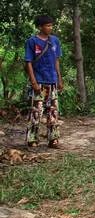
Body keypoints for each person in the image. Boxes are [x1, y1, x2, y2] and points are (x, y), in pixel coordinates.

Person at [24, 15, 63, 148]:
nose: (50, 28)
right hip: (39, 81)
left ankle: (53, 139)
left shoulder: (55, 41)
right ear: (40, 27)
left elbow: (56, 60)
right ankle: (32, 139)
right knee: (36, 111)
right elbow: (28, 62)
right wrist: (34, 82)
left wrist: (59, 79)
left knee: (53, 111)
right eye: (47, 25)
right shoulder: (32, 41)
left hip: (52, 81)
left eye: (51, 25)